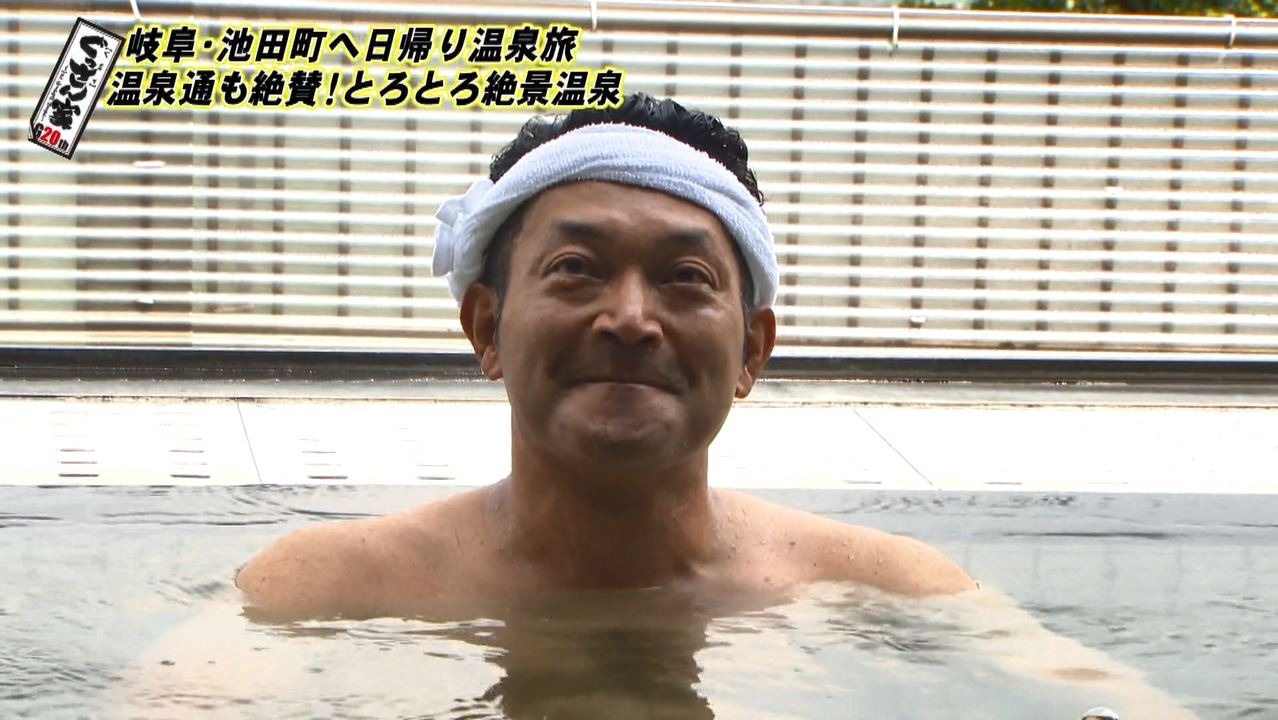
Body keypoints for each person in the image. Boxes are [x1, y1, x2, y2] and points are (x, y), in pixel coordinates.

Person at [234, 93, 978, 620]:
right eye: (576, 269)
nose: (629, 319)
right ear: (487, 328)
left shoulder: (890, 592)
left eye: (686, 277)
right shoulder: (317, 591)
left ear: (752, 349)